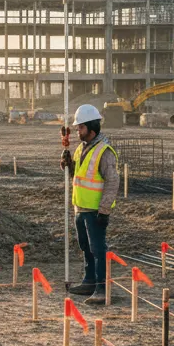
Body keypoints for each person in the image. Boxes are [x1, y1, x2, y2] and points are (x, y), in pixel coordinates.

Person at [60, 104, 119, 301]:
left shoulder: (104, 151)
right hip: (80, 207)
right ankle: (89, 281)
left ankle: (101, 288)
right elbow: (77, 173)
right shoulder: (81, 148)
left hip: (95, 210)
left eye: (81, 127)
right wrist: (67, 164)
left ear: (91, 129)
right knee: (85, 246)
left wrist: (104, 210)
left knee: (97, 248)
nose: (77, 130)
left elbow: (112, 181)